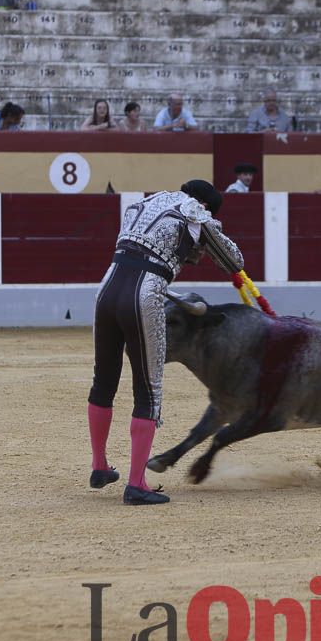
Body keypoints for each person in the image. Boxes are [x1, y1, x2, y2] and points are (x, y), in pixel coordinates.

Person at [87, 179, 244, 505]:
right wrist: (208, 225)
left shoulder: (143, 204)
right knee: (149, 388)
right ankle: (136, 484)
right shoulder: (195, 212)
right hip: (144, 295)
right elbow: (233, 261)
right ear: (204, 204)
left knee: (103, 380)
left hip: (106, 290)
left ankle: (100, 466)